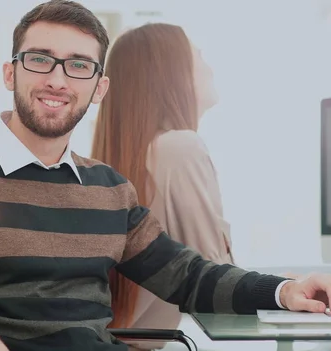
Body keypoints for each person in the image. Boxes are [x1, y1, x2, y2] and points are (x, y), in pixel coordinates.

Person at [0, 1, 331, 351]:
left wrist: (284, 290)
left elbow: (188, 276)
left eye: (79, 65)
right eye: (40, 59)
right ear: (10, 73)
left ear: (98, 87)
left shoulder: (109, 190)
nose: (58, 80)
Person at [90, 23, 234, 339]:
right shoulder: (180, 147)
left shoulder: (132, 154)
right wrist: (281, 291)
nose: (209, 67)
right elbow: (217, 286)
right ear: (171, 73)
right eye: (198, 56)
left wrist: (280, 285)